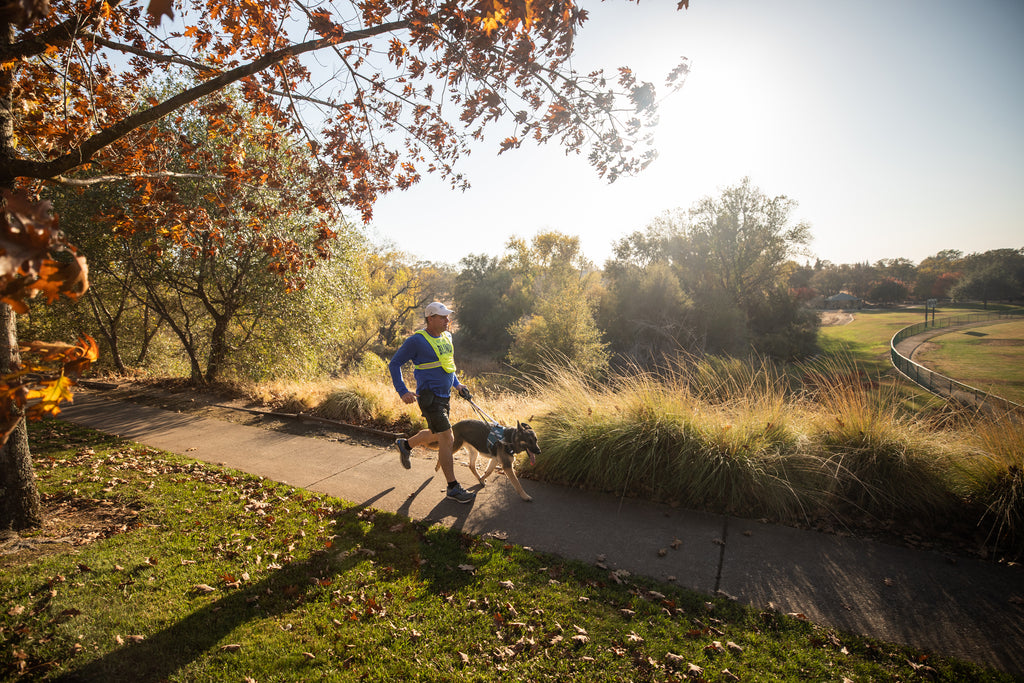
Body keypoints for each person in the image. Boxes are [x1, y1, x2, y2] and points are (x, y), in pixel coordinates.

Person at [388, 301, 475, 503]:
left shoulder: (447, 337)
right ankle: (453, 487)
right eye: (443, 317)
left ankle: (406, 445)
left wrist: (458, 385)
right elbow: (394, 364)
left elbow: (447, 366)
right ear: (430, 319)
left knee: (436, 433)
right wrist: (402, 391)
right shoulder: (416, 341)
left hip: (445, 396)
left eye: (447, 317)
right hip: (429, 398)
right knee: (447, 438)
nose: (447, 320)